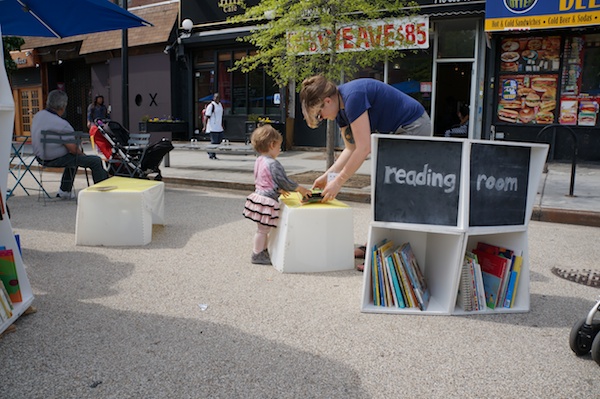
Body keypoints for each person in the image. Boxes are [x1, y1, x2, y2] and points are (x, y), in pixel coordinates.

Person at [300, 75, 432, 203]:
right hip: (398, 130)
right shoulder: (340, 112)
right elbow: (351, 148)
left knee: (397, 177)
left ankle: (404, 216)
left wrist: (338, 182)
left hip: (414, 125)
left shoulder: (353, 98)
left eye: (319, 115)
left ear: (327, 101)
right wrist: (328, 175)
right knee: (389, 176)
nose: (322, 118)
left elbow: (364, 148)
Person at [242, 124, 312, 265]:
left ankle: (263, 250)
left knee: (263, 229)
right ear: (272, 144)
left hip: (258, 197)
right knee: (262, 230)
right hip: (266, 200)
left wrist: (278, 189)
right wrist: (301, 189)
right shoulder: (273, 164)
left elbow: (264, 179)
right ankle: (257, 254)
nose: (280, 149)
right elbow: (284, 181)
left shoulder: (259, 160)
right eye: (279, 146)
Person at [31, 89, 109, 199]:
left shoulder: (38, 116)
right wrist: (83, 155)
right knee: (94, 160)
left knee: (72, 158)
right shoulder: (62, 124)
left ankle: (65, 191)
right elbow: (73, 149)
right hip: (55, 159)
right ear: (63, 106)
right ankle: (103, 193)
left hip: (40, 157)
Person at [204, 93, 224, 160]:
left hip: (219, 127)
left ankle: (210, 151)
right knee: (214, 142)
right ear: (213, 98)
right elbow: (206, 117)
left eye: (218, 97)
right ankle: (212, 155)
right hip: (212, 127)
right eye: (215, 97)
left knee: (219, 140)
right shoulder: (211, 106)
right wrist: (204, 126)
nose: (217, 99)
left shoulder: (220, 105)